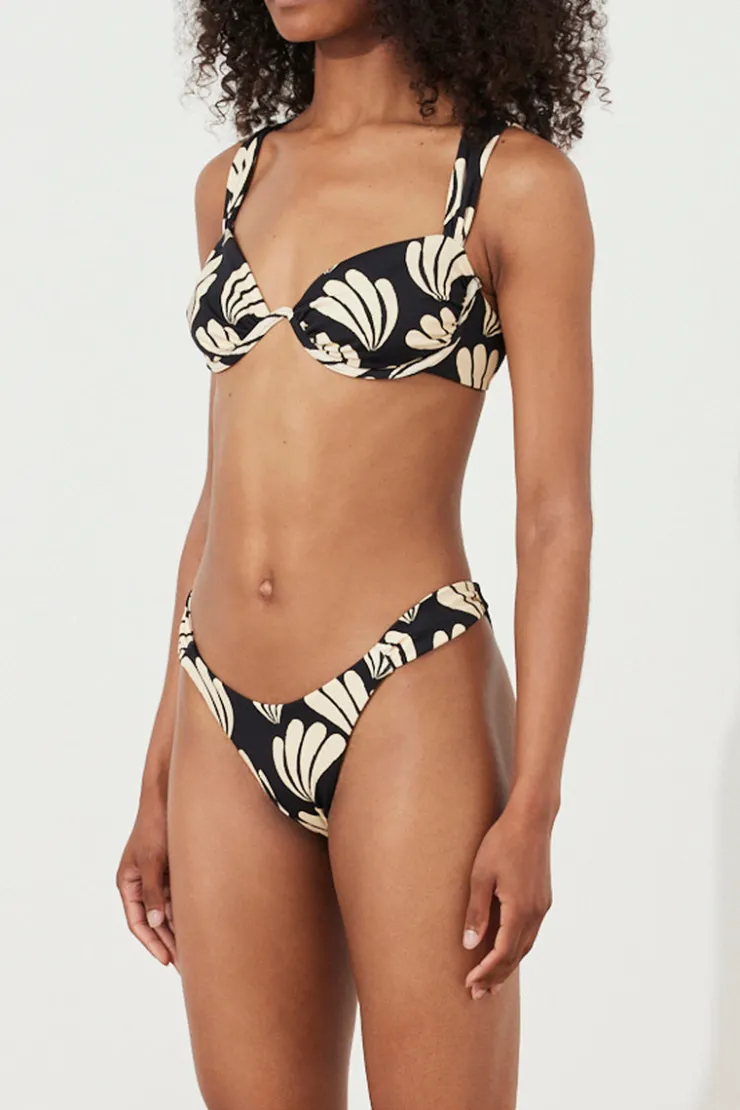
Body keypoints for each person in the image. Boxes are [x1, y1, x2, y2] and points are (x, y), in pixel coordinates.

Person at [117, 1, 604, 1105]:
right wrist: (157, 770)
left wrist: (534, 804)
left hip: (406, 694)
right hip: (217, 709)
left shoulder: (510, 186)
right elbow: (220, 489)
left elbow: (552, 516)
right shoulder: (231, 183)